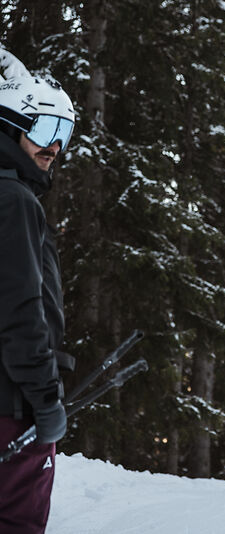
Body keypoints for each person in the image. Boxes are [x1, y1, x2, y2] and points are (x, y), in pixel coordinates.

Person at [0, 73, 76, 533]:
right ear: (10, 127)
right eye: (45, 128)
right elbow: (21, 310)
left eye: (64, 133)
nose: (55, 147)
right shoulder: (14, 200)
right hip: (11, 407)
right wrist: (45, 401)